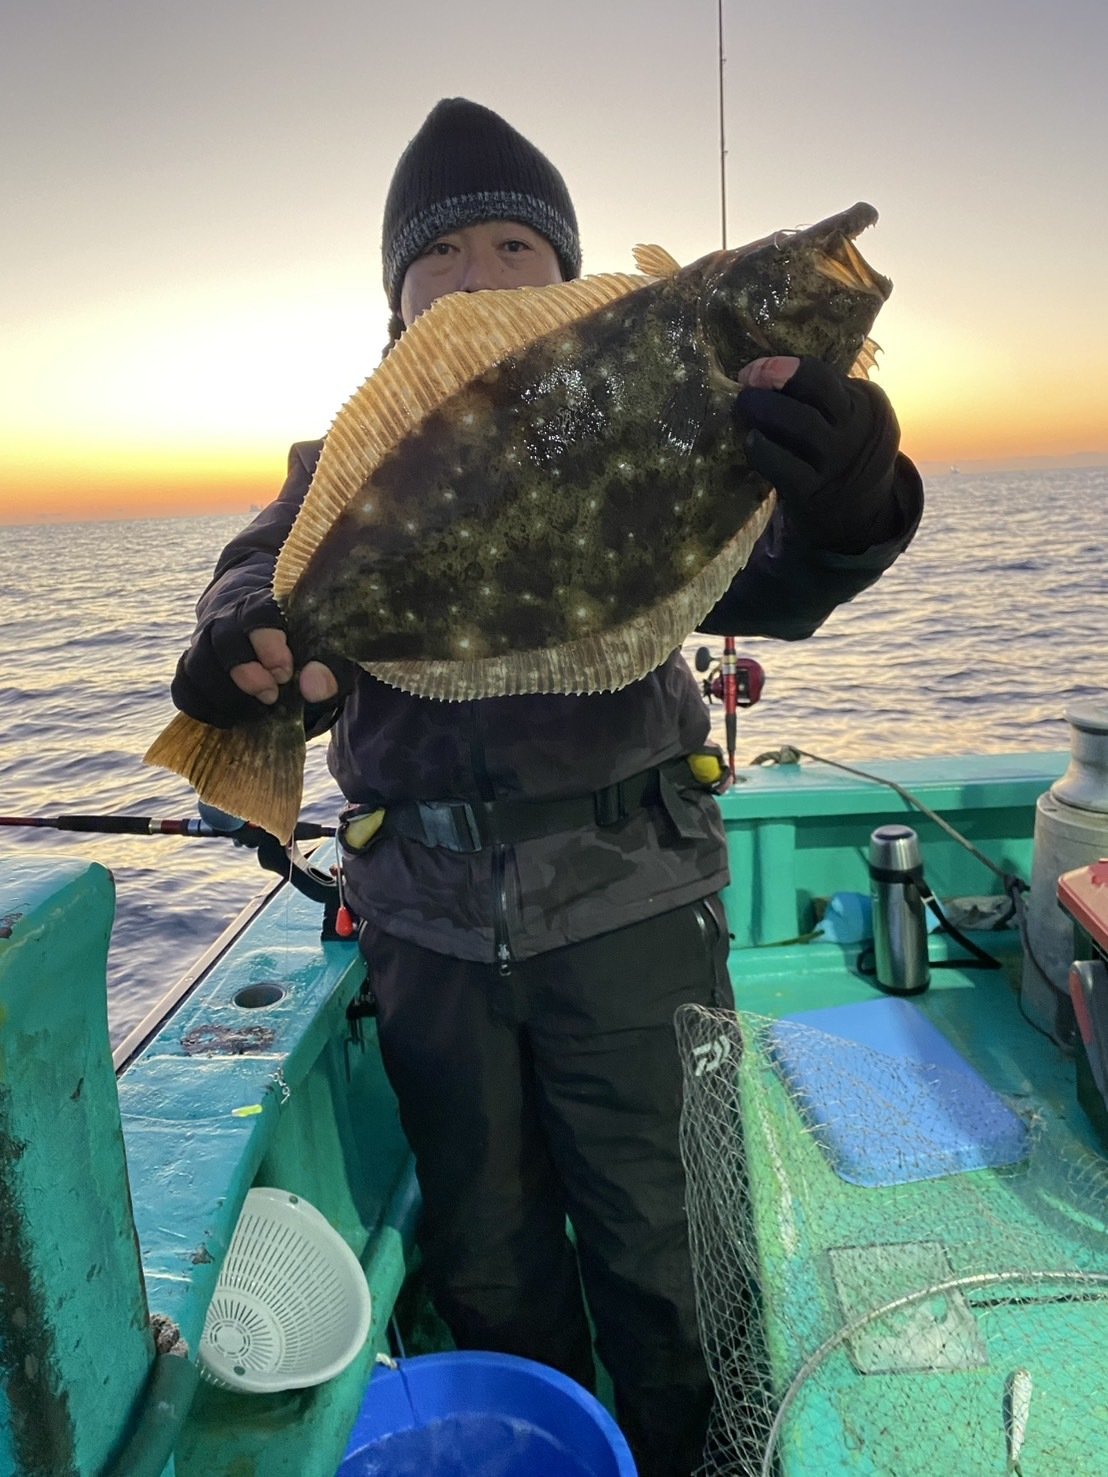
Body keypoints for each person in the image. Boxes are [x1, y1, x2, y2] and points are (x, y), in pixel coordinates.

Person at [168, 98, 923, 1477]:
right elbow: (262, 570)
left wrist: (851, 503)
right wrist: (238, 645)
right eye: (438, 255)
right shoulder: (342, 472)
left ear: (570, 271)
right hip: (427, 929)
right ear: (395, 300)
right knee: (487, 1258)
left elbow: (778, 582)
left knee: (674, 1253)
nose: (477, 276)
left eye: (515, 245)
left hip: (633, 901)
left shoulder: (663, 405)